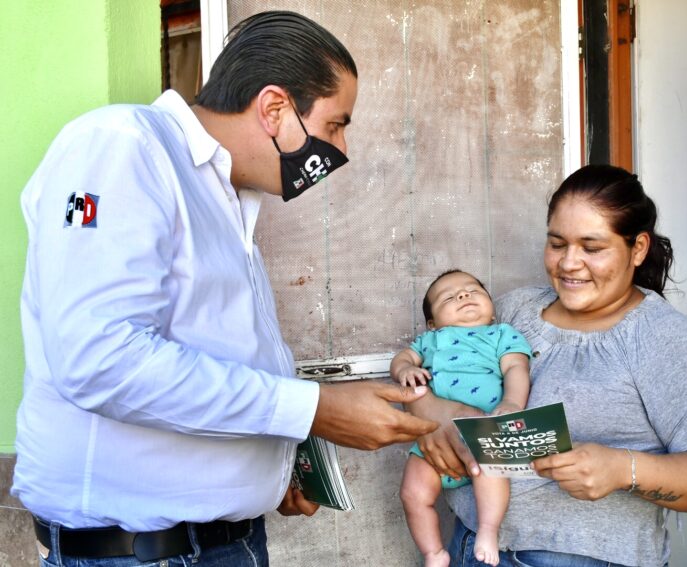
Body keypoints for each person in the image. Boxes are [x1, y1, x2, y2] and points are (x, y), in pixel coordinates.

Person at [13, 11, 437, 567]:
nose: (340, 150)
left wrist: (269, 470)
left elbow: (206, 359)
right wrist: (311, 411)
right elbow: (100, 358)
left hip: (221, 542)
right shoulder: (122, 146)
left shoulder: (226, 198)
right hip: (145, 555)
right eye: (336, 125)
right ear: (275, 108)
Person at [407, 165, 687, 567]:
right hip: (468, 545)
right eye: (557, 243)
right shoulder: (516, 310)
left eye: (592, 247)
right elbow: (439, 367)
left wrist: (623, 470)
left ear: (637, 248)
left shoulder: (662, 338)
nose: (569, 263)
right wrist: (435, 413)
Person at [392, 270, 531, 567]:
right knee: (412, 492)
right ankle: (434, 552)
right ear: (432, 323)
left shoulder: (501, 334)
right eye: (449, 297)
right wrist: (404, 371)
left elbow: (516, 369)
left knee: (491, 471)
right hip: (434, 438)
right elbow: (402, 359)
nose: (463, 295)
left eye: (473, 290)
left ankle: (488, 531)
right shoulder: (429, 340)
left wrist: (511, 402)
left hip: (481, 430)